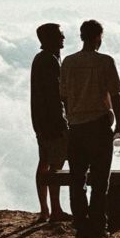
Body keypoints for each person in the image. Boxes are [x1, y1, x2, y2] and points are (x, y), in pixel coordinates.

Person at [60, 19, 120, 238]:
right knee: (99, 180)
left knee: (77, 179)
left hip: (76, 127)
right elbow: (115, 95)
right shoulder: (105, 62)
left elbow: (64, 97)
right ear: (98, 37)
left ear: (81, 36)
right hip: (99, 125)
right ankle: (98, 225)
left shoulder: (68, 62)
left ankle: (80, 224)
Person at [30, 23, 72, 223]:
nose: (63, 38)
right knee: (55, 166)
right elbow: (55, 95)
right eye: (60, 35)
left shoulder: (43, 59)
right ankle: (54, 210)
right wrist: (64, 122)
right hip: (53, 121)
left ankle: (45, 209)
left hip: (41, 120)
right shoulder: (49, 60)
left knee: (45, 163)